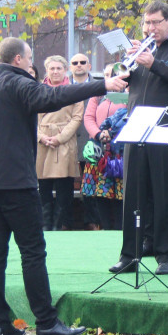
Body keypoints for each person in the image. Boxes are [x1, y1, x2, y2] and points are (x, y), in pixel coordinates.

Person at [0, 37, 127, 335]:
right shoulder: (17, 83)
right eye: (29, 57)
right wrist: (102, 85)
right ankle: (46, 322)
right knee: (32, 251)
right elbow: (54, 96)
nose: (31, 63)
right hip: (15, 181)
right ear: (18, 59)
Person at [109, 1, 168, 276]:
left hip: (166, 127)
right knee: (133, 193)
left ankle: (165, 255)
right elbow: (127, 84)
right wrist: (124, 69)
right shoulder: (142, 51)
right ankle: (130, 253)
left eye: (155, 22)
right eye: (146, 23)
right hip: (136, 126)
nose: (150, 28)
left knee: (164, 193)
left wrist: (155, 64)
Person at [35, 56, 83, 231]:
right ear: (47, 70)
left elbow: (77, 117)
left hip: (64, 143)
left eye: (59, 68)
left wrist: (60, 138)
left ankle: (60, 225)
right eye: (52, 68)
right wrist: (41, 137)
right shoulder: (37, 90)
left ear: (65, 70)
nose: (55, 72)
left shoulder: (74, 91)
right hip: (42, 143)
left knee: (64, 189)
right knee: (43, 188)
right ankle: (45, 225)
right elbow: (30, 117)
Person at [81, 64, 127, 230]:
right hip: (99, 148)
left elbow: (128, 117)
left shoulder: (128, 94)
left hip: (119, 150)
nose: (110, 78)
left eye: (113, 74)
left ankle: (121, 230)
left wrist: (111, 131)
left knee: (120, 194)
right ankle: (105, 228)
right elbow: (88, 118)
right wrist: (99, 134)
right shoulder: (97, 94)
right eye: (106, 75)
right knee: (100, 192)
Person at [68, 53, 101, 231]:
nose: (79, 65)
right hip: (68, 142)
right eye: (75, 63)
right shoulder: (64, 87)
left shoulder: (99, 86)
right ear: (70, 67)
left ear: (89, 66)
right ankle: (65, 224)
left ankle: (93, 222)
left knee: (91, 184)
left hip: (92, 144)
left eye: (83, 62)